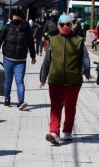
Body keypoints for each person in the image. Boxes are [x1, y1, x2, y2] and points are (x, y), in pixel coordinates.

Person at [39, 14, 91, 145]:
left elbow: (84, 57)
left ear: (72, 25)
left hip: (74, 80)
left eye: (68, 24)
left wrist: (87, 70)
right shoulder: (53, 40)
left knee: (70, 106)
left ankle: (67, 130)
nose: (65, 27)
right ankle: (54, 133)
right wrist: (43, 78)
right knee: (55, 107)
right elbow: (47, 60)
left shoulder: (79, 41)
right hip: (55, 79)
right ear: (58, 26)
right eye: (62, 24)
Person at [0, 10, 36, 110]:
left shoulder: (26, 29)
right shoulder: (7, 27)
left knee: (19, 81)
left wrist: (33, 56)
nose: (16, 21)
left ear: (21, 19)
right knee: (8, 80)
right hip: (8, 58)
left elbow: (30, 43)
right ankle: (7, 98)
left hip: (21, 60)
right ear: (12, 18)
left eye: (18, 19)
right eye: (14, 19)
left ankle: (21, 102)